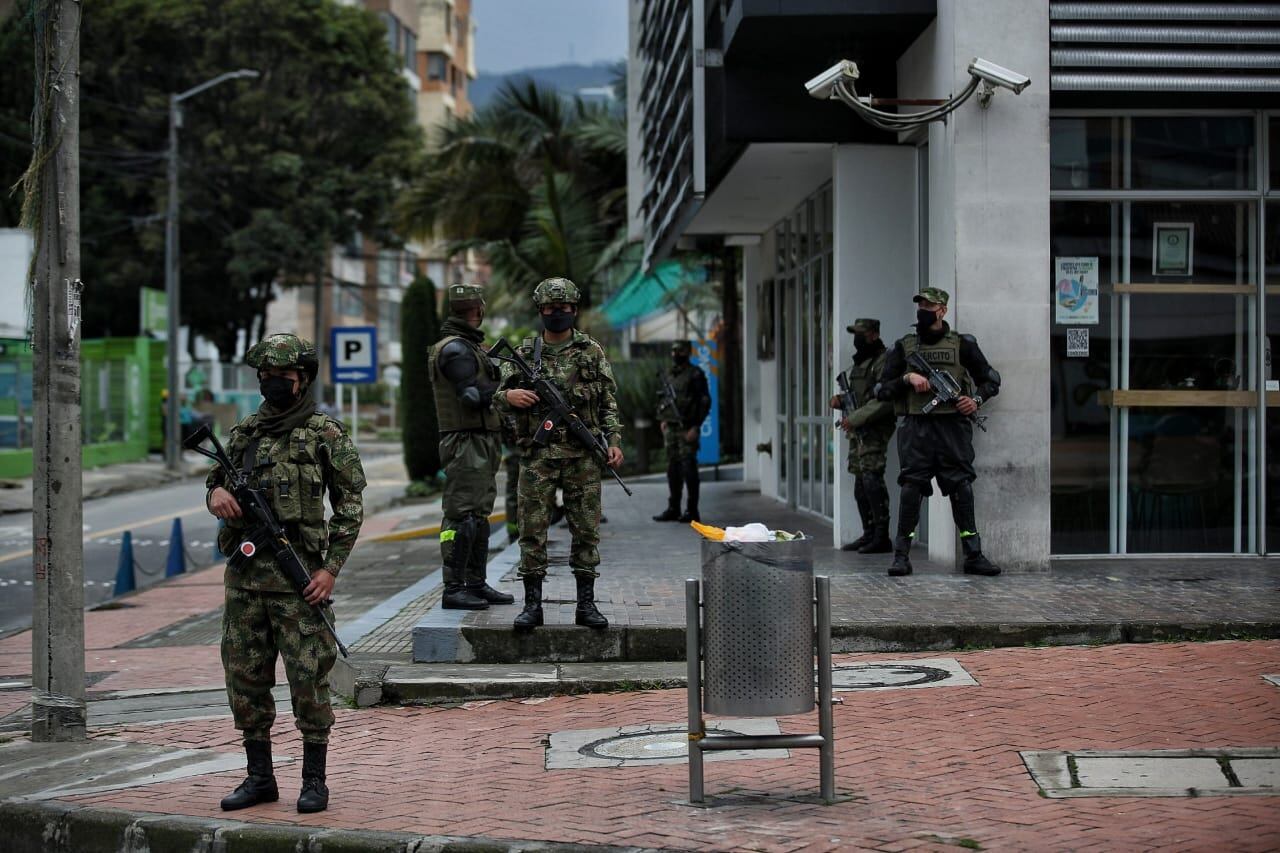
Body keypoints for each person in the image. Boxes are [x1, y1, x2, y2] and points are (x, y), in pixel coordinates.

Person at [205, 333, 365, 813]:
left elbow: (351, 506)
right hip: (245, 580)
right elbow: (217, 479)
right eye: (267, 377)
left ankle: (314, 781)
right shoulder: (244, 432)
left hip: (299, 584)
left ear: (304, 379)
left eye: (284, 377)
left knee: (308, 682)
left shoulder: (325, 433)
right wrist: (214, 496)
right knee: (245, 679)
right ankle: (260, 779)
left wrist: (330, 570)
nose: (274, 384)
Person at [495, 276, 624, 632]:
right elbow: (494, 396)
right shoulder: (523, 354)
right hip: (537, 457)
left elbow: (609, 402)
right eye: (551, 309)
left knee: (586, 531)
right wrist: (509, 397)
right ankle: (532, 606)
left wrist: (613, 440)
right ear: (540, 311)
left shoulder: (591, 351)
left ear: (574, 310)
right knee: (532, 531)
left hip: (583, 457)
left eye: (563, 308)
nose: (557, 314)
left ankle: (586, 604)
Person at [874, 288, 1001, 577]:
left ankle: (973, 554)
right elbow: (881, 390)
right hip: (917, 428)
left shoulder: (963, 344)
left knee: (962, 490)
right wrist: (908, 377)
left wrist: (975, 400)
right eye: (920, 304)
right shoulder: (904, 346)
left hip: (953, 428)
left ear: (942, 310)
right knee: (911, 490)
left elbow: (991, 380)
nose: (923, 310)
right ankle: (901, 556)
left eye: (929, 305)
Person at [429, 284, 514, 610]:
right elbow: (471, 396)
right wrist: (506, 391)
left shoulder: (469, 347)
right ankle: (454, 588)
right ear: (478, 309)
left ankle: (475, 583)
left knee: (479, 516)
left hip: (480, 441)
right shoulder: (456, 350)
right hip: (465, 442)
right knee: (461, 516)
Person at [830, 319, 896, 553]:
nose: (857, 338)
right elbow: (859, 395)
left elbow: (884, 401)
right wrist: (841, 402)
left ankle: (881, 537)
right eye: (855, 334)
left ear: (874, 334)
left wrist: (855, 418)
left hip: (874, 429)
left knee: (871, 480)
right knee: (861, 483)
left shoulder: (884, 360)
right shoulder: (861, 363)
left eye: (862, 334)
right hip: (859, 429)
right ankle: (868, 534)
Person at [652, 340, 712, 523]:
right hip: (670, 427)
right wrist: (663, 419)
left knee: (689, 468)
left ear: (687, 352)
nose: (675, 354)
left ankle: (692, 510)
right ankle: (674, 507)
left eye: (680, 350)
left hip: (687, 428)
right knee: (673, 468)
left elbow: (704, 402)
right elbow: (665, 398)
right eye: (673, 350)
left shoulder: (696, 375)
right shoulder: (670, 374)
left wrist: (696, 426)